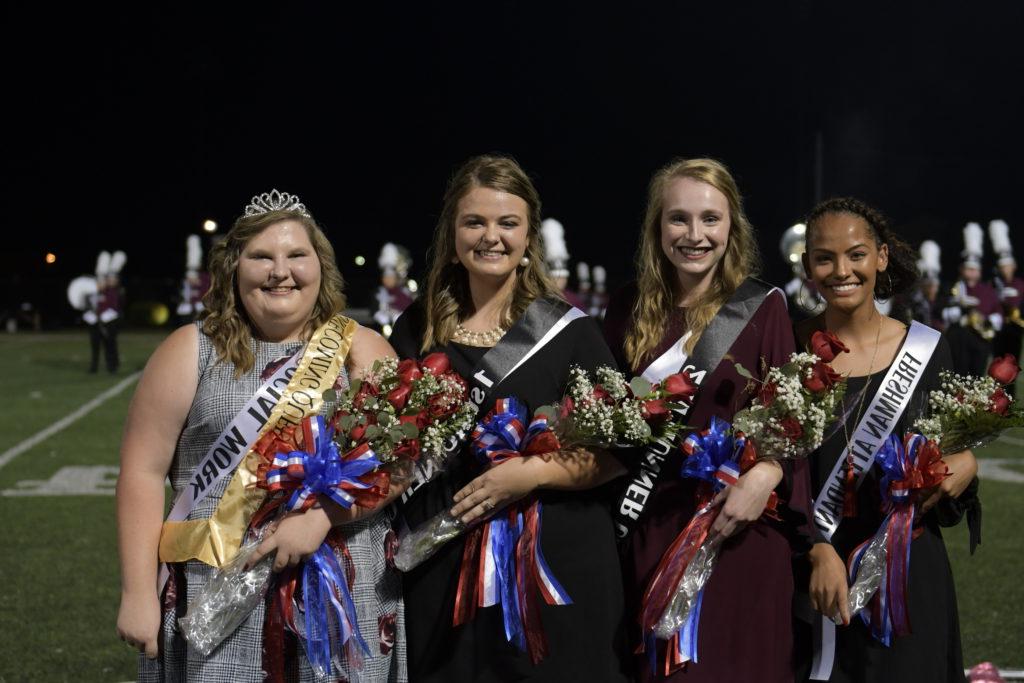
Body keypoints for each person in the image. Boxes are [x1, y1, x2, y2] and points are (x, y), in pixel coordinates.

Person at [116, 189, 407, 682]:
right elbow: (141, 474)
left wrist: (324, 516)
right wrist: (136, 592)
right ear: (234, 267)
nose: (280, 271)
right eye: (261, 257)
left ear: (321, 267)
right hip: (216, 597)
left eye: (297, 255)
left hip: (343, 588)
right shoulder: (191, 350)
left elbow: (400, 465)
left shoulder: (363, 348)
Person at [388, 155, 629, 682]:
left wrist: (532, 474)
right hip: (440, 563)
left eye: (507, 223)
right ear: (452, 234)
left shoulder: (570, 331)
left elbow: (617, 454)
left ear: (528, 238)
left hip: (551, 567)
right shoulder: (416, 330)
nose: (490, 237)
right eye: (474, 222)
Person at [603, 158, 810, 682]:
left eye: (710, 219)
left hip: (738, 535)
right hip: (647, 528)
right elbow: (604, 424)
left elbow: (791, 424)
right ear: (657, 227)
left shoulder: (763, 309)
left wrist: (766, 473)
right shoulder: (625, 308)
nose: (695, 235)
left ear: (731, 227)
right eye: (679, 219)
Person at [793, 197, 978, 683]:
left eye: (856, 254)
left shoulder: (927, 348)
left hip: (908, 581)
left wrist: (966, 467)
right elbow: (773, 470)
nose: (841, 270)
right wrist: (812, 546)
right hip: (816, 578)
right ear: (808, 265)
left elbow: (949, 454)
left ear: (881, 257)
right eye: (824, 257)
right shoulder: (788, 348)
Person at [943, 222, 1001, 376]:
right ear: (962, 269)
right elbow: (944, 311)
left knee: (977, 375)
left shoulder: (988, 290)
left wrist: (989, 321)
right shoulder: (954, 287)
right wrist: (957, 312)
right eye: (968, 268)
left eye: (974, 269)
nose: (971, 272)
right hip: (958, 340)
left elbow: (997, 311)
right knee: (958, 374)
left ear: (979, 271)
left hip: (980, 340)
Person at [988, 219, 1024, 396]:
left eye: (1007, 265)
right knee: (997, 367)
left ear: (1014, 266)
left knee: (1012, 368)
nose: (1005, 269)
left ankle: (1012, 399)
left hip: (1014, 330)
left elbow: (1016, 304)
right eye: (1002, 266)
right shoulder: (994, 284)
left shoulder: (1019, 283)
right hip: (999, 331)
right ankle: (999, 401)